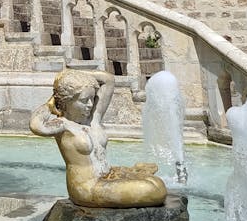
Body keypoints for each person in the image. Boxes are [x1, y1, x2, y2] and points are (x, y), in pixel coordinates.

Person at [30, 68, 167, 208]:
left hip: (107, 176)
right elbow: (36, 125)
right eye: (84, 100)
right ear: (67, 101)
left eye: (92, 98)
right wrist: (53, 100)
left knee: (156, 183)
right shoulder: (63, 125)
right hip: (87, 188)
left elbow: (108, 79)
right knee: (153, 190)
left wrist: (70, 74)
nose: (90, 104)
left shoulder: (93, 119)